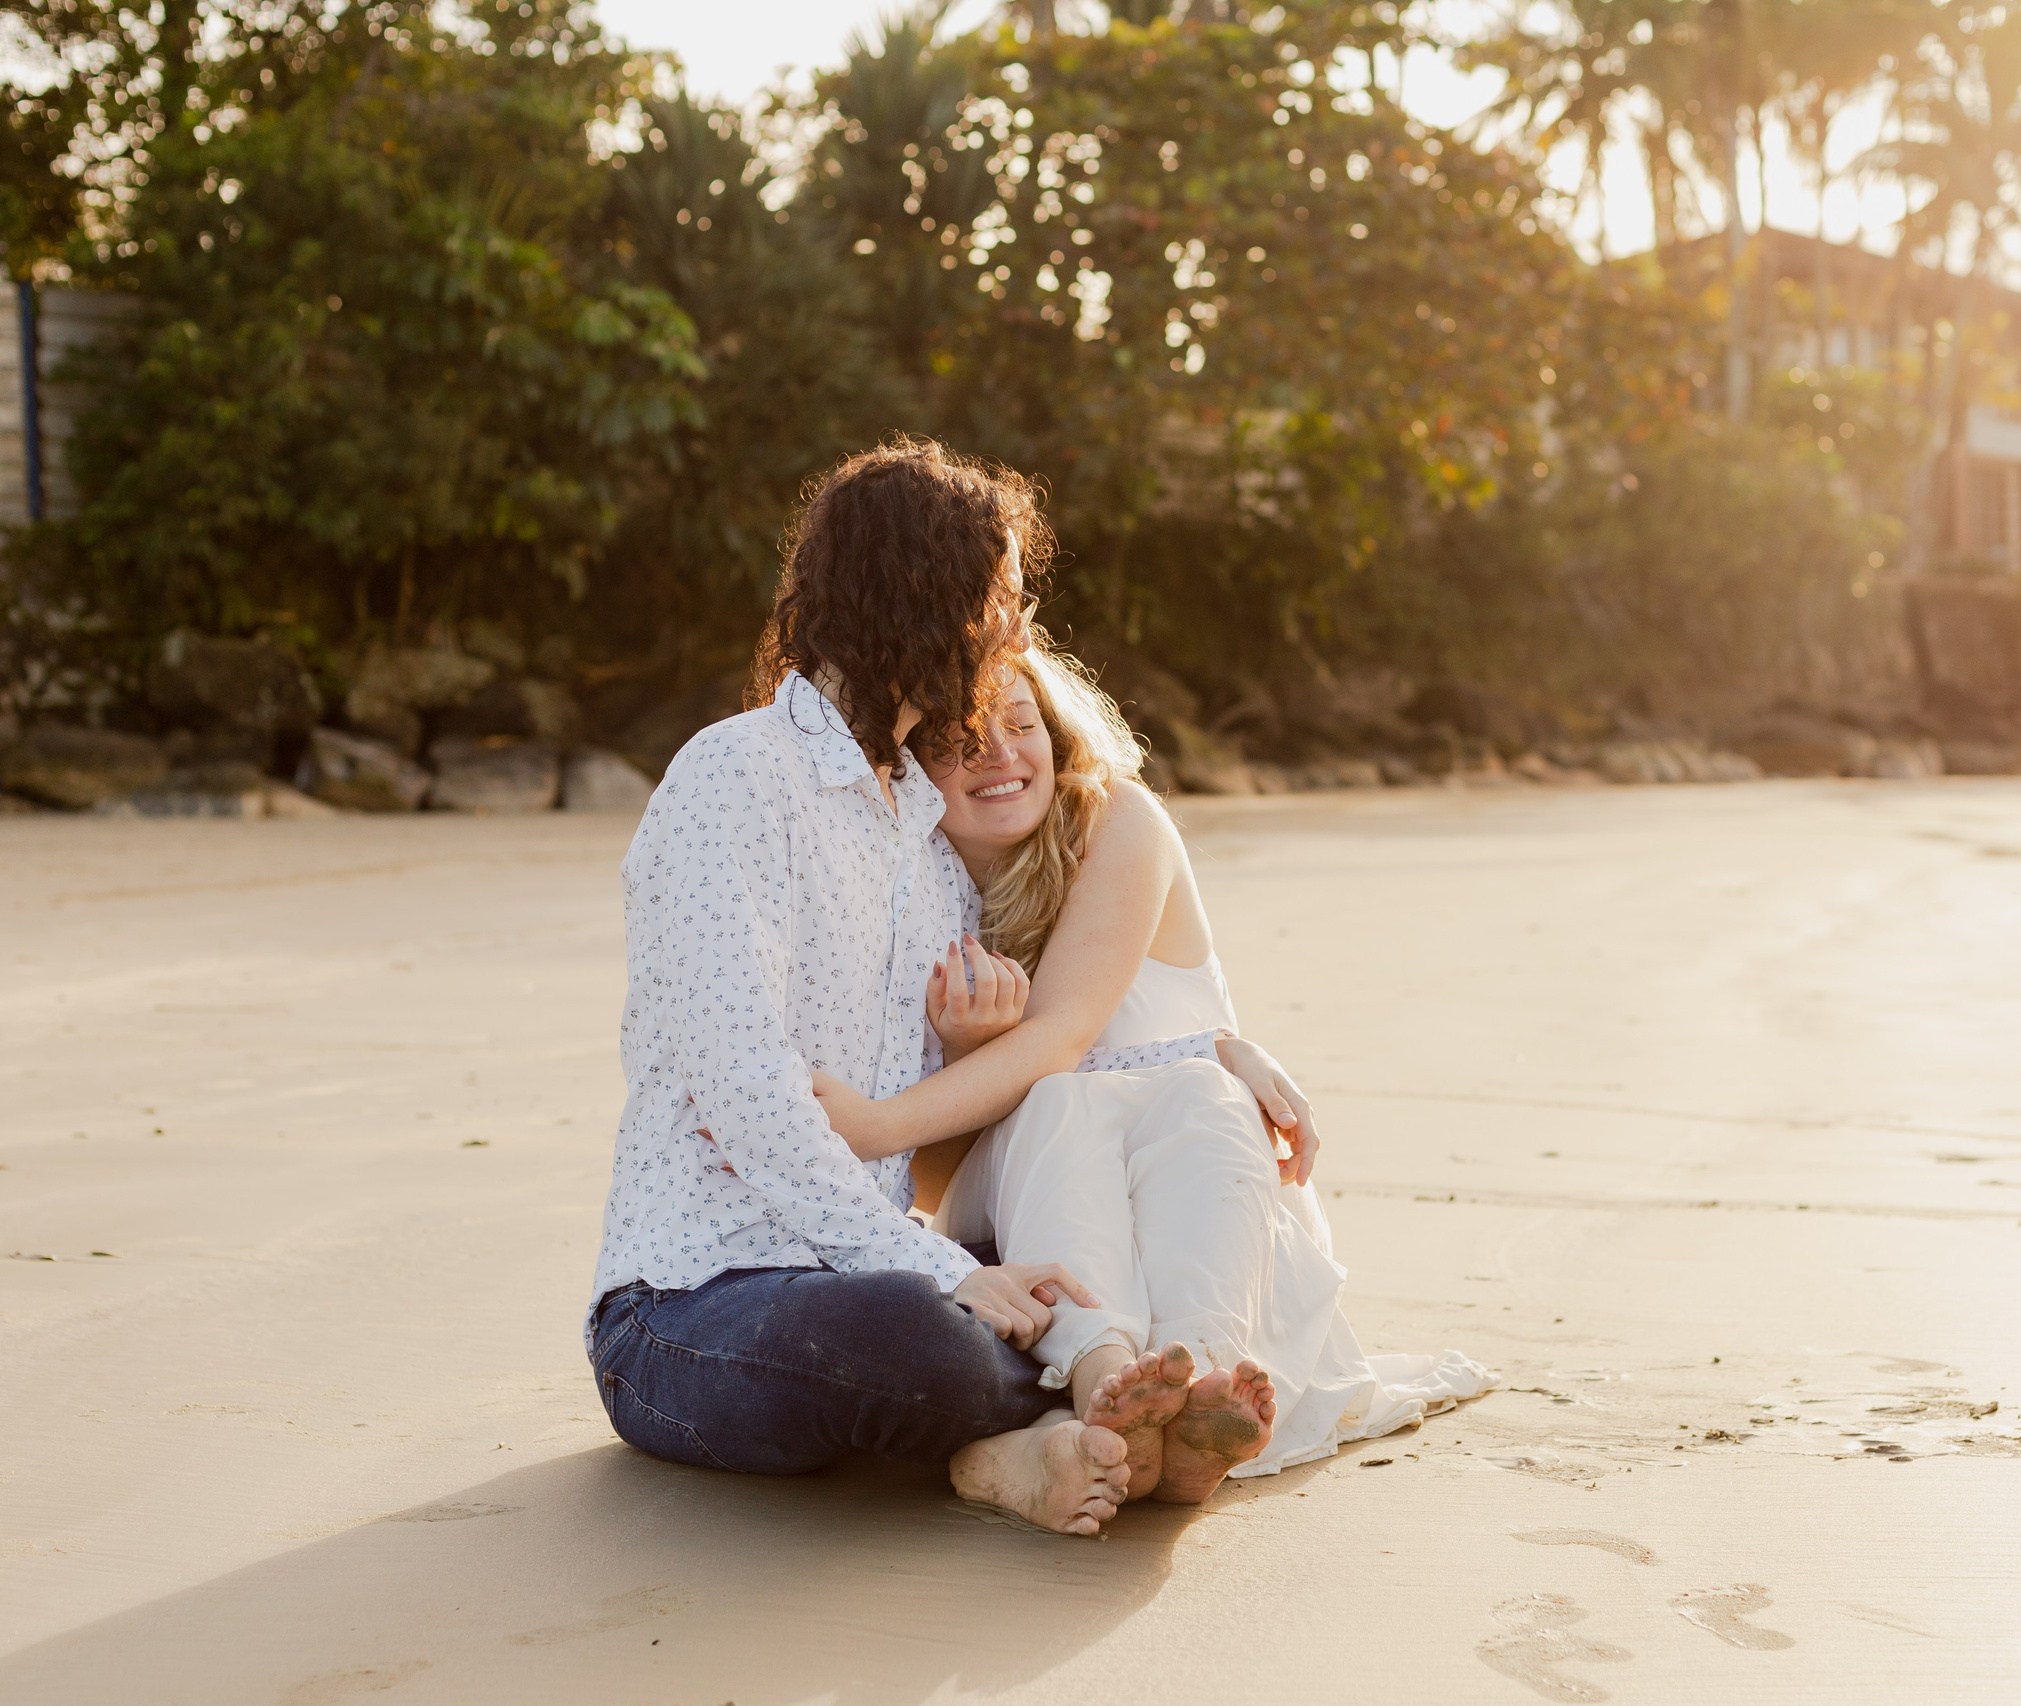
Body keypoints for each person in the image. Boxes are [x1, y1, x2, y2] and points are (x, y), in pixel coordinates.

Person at [587, 439, 1228, 1536]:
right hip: (697, 1305)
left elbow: (1002, 1098)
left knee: (1072, 1273)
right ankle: (999, 1433)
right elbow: (748, 1098)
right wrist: (938, 1269)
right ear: (929, 599)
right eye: (1004, 603)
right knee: (915, 1330)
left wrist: (1215, 1051)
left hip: (882, 1260)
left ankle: (1054, 1431)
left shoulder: (930, 839)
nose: (1020, 636)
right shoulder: (735, 777)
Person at [812, 646, 1494, 1503]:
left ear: (1056, 738)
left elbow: (1065, 1033)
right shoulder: (922, 906)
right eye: (960, 740)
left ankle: (1199, 1382)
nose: (1001, 755)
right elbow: (941, 1180)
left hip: (1202, 1210)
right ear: (910, 768)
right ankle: (1109, 1373)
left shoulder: (1118, 822)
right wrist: (963, 1056)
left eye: (1022, 727)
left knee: (1194, 1091)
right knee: (1063, 1103)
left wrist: (1212, 1050)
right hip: (1051, 1206)